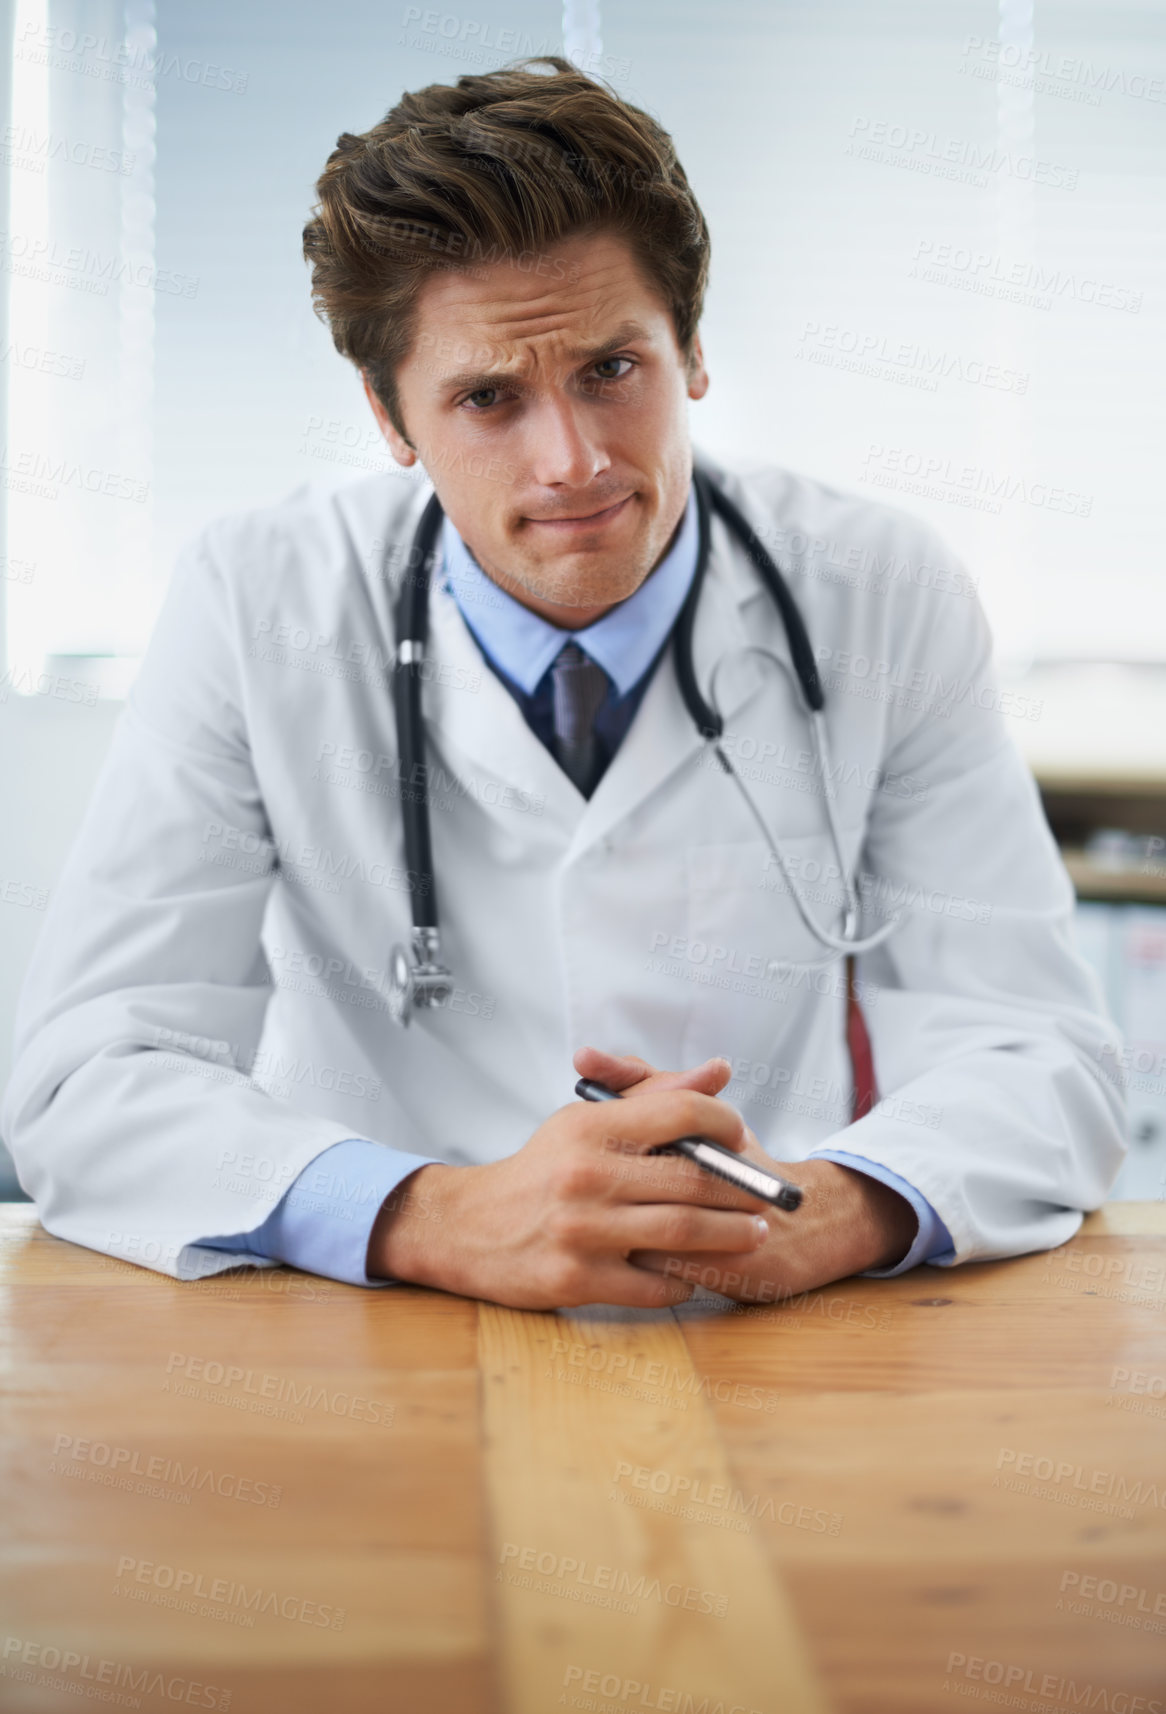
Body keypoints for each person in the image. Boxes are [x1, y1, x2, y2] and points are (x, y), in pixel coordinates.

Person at [1, 58, 1125, 1309]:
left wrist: (826, 1211)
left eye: (610, 368)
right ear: (388, 416)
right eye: (488, 397)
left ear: (690, 349)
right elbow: (86, 1077)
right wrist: (430, 1214)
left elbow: (1040, 1056)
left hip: (763, 1324)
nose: (574, 461)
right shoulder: (257, 599)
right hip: (379, 1329)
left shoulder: (877, 589)